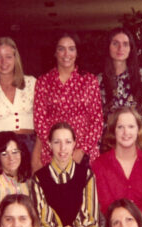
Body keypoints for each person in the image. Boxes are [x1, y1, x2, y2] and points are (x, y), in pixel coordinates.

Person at [32, 122, 99, 227]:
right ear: (49, 144)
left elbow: (92, 219)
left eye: (68, 142)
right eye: (57, 142)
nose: (63, 148)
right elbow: (41, 220)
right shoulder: (39, 178)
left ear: (75, 144)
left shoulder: (86, 174)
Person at [92, 107, 142, 227]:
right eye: (120, 127)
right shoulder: (100, 164)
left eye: (131, 126)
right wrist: (125, 224)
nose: (126, 132)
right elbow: (106, 205)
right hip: (113, 220)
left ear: (138, 130)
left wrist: (135, 221)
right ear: (113, 131)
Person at [32, 31, 103, 172]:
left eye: (71, 48)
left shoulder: (90, 80)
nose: (66, 54)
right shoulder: (43, 81)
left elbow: (97, 120)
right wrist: (55, 148)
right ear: (55, 52)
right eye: (61, 49)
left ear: (77, 52)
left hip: (84, 154)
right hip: (53, 151)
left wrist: (81, 150)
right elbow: (39, 121)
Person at [98, 27, 142, 146]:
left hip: (136, 144)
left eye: (125, 44)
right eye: (115, 44)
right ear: (108, 47)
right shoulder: (98, 81)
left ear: (131, 49)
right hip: (108, 145)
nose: (120, 48)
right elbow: (97, 120)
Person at [0, 37, 36, 158]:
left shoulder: (31, 83)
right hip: (1, 147)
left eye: (8, 57)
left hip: (30, 145)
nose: (3, 62)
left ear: (15, 59)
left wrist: (37, 155)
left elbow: (43, 123)